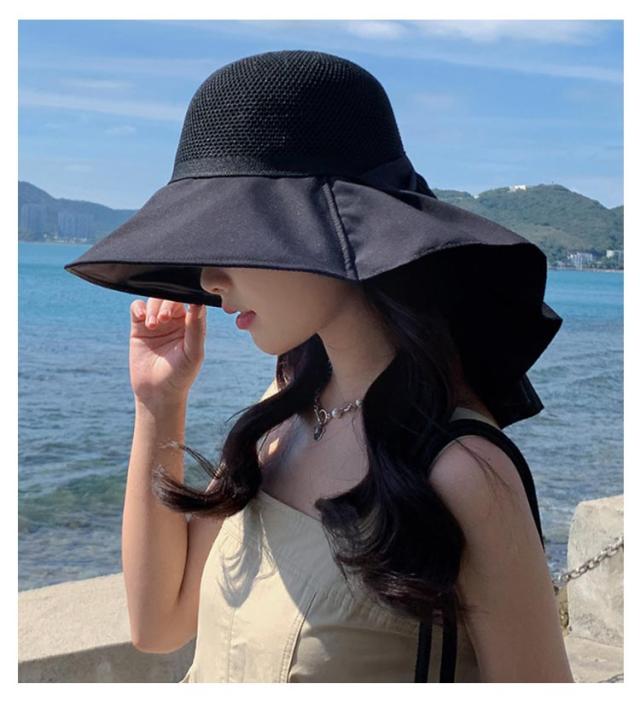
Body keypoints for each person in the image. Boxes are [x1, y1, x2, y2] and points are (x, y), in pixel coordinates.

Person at [65, 49, 574, 682]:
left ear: (331, 232)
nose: (207, 277)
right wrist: (159, 403)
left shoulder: (462, 470)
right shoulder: (280, 417)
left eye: (234, 235)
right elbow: (159, 623)